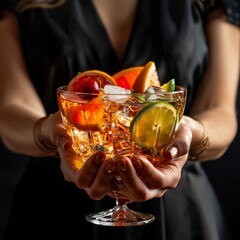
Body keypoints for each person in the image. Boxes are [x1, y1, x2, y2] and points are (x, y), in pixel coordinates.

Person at [0, 0, 239, 239]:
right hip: (53, 212)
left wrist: (190, 132)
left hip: (180, 215)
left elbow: (218, 108)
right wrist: (49, 132)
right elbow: (12, 105)